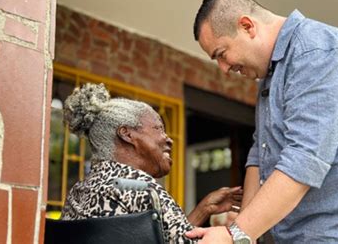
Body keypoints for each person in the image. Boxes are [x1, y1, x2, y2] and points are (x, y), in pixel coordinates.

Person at [186, 0, 338, 243]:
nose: (224, 69)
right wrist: (245, 234)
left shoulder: (317, 51)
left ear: (247, 26)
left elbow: (303, 158)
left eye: (221, 54)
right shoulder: (271, 74)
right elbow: (259, 155)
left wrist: (235, 235)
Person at [60, 83, 243, 243]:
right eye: (159, 129)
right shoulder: (140, 187)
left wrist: (204, 209)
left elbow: (165, 239)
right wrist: (232, 235)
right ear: (127, 134)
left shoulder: (79, 191)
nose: (168, 139)